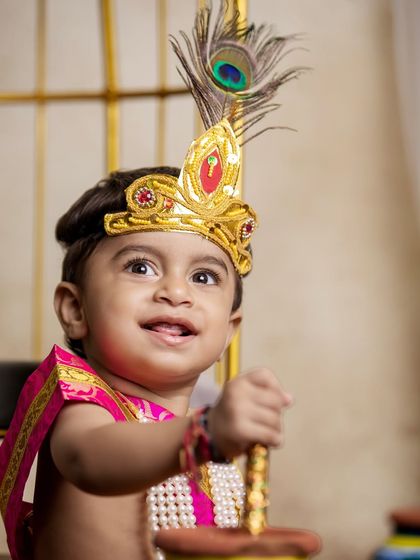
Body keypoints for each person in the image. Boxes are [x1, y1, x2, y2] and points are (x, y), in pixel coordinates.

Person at [0, 2, 300, 559]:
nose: (175, 292)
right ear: (74, 309)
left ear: (229, 328)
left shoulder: (203, 425)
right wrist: (206, 434)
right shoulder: (84, 408)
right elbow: (95, 460)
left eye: (205, 277)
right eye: (140, 267)